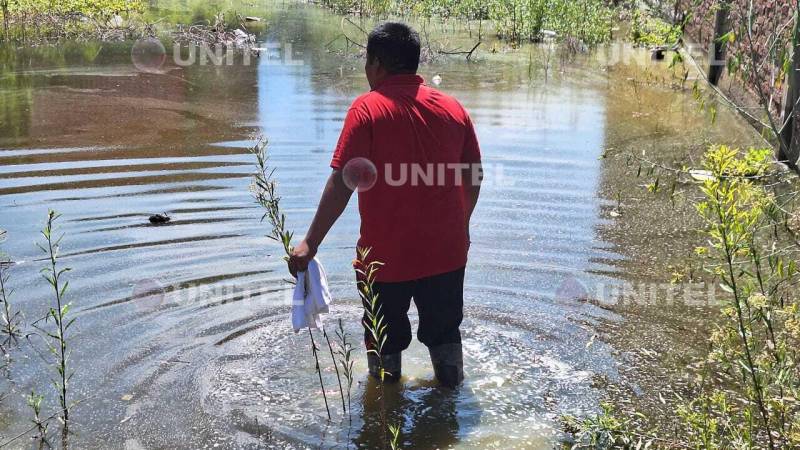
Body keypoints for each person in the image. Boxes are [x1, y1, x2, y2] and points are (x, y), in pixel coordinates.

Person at [287, 21, 482, 388]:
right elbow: (474, 177)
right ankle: (449, 408)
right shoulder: (454, 109)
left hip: (385, 258)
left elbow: (343, 181)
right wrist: (461, 226)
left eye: (366, 63)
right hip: (446, 252)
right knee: (444, 335)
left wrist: (311, 243)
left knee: (383, 342)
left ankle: (383, 414)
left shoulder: (367, 109)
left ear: (376, 63)